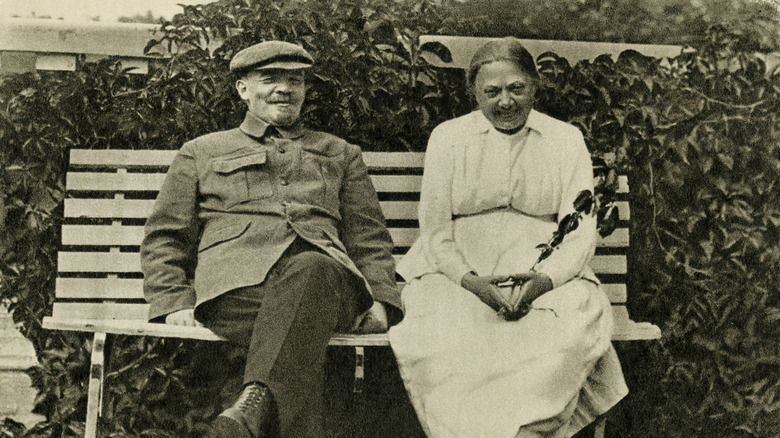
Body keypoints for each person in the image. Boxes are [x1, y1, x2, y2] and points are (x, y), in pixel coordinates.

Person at [140, 40, 403, 438]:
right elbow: (165, 236)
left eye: (294, 80)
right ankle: (255, 410)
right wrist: (173, 298)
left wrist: (382, 301)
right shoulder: (202, 152)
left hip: (329, 282)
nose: (284, 89)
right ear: (243, 89)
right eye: (270, 79)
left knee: (313, 270)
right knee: (302, 326)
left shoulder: (340, 153)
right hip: (237, 290)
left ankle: (249, 413)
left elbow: (369, 237)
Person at [388, 37, 628, 438]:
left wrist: (544, 282)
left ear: (534, 85)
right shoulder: (448, 137)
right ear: (474, 93)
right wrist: (471, 283)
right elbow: (434, 231)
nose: (505, 102)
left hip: (545, 265)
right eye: (491, 91)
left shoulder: (565, 139)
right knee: (447, 336)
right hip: (457, 268)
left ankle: (526, 431)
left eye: (516, 88)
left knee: (562, 327)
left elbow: (580, 229)